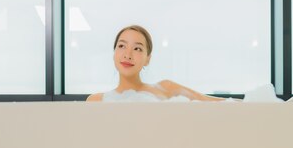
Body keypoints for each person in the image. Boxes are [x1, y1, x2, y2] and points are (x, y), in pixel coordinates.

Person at [86, 25, 225, 102]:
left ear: (148, 59)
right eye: (122, 46)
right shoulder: (96, 101)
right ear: (114, 53)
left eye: (137, 49)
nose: (127, 55)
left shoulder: (166, 88)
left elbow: (217, 104)